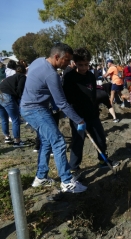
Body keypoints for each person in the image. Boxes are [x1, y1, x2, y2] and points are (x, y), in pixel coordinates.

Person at [20, 43, 87, 193]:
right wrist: (79, 120)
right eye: (66, 60)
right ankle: (67, 181)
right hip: (35, 110)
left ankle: (41, 177)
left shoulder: (38, 61)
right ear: (57, 57)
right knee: (58, 142)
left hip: (29, 107)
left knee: (46, 141)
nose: (68, 63)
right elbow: (62, 102)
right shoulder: (52, 74)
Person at [63, 47, 119, 177]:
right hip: (77, 116)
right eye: (80, 65)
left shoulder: (90, 75)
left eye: (86, 64)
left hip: (92, 114)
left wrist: (95, 110)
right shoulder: (69, 78)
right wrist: (76, 117)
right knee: (78, 142)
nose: (83, 68)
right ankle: (74, 168)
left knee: (100, 138)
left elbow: (92, 95)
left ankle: (103, 160)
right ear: (74, 63)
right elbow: (67, 100)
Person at [0, 64, 27, 147]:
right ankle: (17, 141)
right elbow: (20, 89)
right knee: (15, 119)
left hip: (0, 94)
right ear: (25, 71)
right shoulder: (22, 77)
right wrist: (20, 100)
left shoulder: (11, 77)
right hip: (7, 96)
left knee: (4, 118)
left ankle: (7, 137)